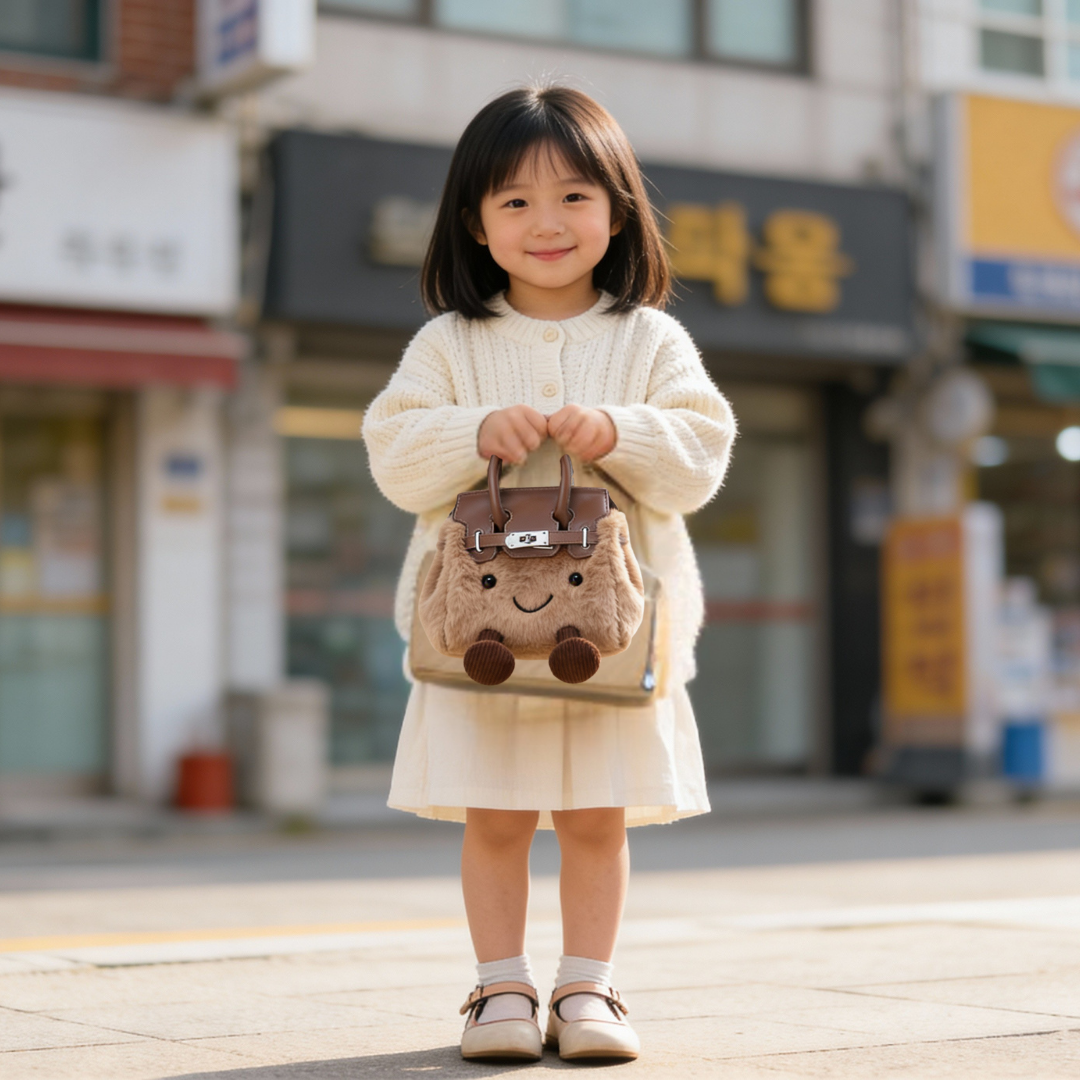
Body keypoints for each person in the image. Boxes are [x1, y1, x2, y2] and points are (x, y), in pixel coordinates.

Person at [362, 84, 735, 1063]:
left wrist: (622, 429)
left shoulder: (649, 339)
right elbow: (396, 456)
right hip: (478, 631)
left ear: (616, 211)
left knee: (596, 821)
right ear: (476, 226)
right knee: (493, 819)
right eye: (514, 202)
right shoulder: (450, 343)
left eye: (573, 196)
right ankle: (498, 992)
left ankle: (588, 990)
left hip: (609, 631)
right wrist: (470, 428)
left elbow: (699, 456)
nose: (547, 222)